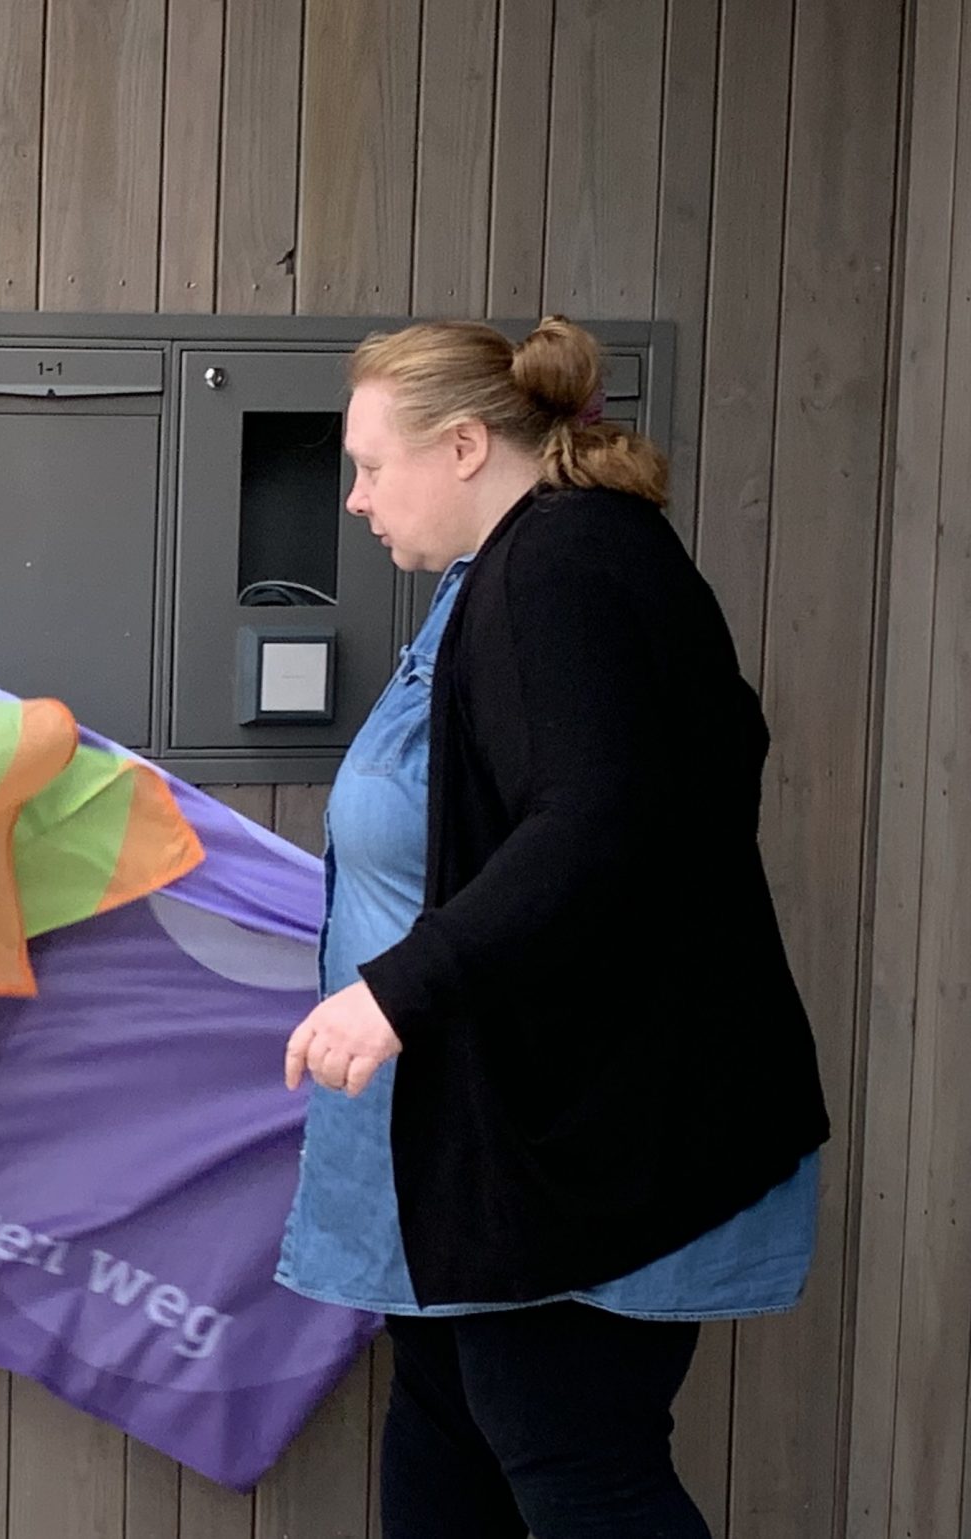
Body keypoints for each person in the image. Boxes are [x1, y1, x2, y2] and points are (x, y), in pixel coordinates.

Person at [273, 318, 831, 1539]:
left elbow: (596, 822)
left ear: (465, 446)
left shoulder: (560, 570)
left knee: (574, 1459)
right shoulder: (537, 563)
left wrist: (396, 990)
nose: (356, 500)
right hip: (497, 1136)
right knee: (448, 1432)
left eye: (371, 466)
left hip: (579, 1143)